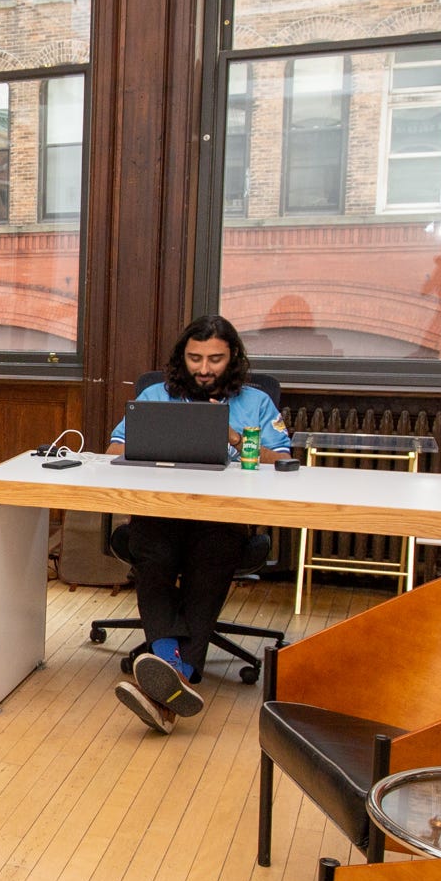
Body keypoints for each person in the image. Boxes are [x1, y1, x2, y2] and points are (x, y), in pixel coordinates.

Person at [107, 315, 289, 736]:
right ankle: (177, 668)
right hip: (161, 512)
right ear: (181, 358)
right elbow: (114, 447)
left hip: (221, 519)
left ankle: (166, 674)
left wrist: (232, 437)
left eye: (215, 359)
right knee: (152, 552)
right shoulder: (155, 395)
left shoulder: (257, 402)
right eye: (194, 359)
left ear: (234, 359)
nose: (204, 369)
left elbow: (282, 459)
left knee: (211, 555)